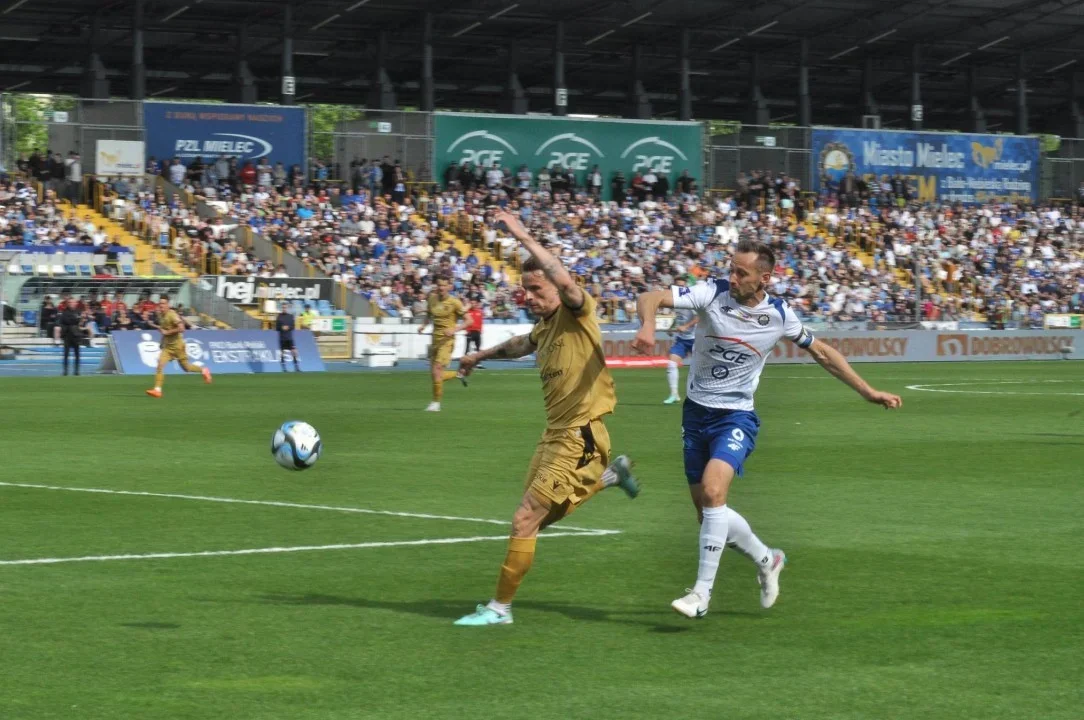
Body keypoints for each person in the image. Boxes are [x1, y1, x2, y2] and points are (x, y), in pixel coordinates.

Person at [632, 239, 902, 618]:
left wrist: (867, 391)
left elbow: (822, 352)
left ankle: (701, 594)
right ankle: (767, 559)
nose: (732, 276)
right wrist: (647, 325)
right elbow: (651, 295)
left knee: (713, 491)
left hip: (736, 417)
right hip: (695, 415)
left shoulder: (779, 314)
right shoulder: (712, 292)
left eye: (741, 272)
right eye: (732, 268)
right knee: (708, 512)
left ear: (764, 278)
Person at [452, 210, 641, 627]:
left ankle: (500, 609)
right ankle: (611, 477)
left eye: (536, 290)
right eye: (525, 292)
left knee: (524, 518)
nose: (529, 298)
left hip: (581, 434)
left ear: (557, 287)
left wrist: (520, 234)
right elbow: (521, 344)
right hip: (555, 433)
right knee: (541, 518)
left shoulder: (577, 310)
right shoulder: (545, 327)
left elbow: (565, 279)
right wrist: (479, 356)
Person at [416, 277, 471, 412]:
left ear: (449, 287)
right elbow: (429, 315)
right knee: (436, 375)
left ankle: (436, 404)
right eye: (439, 285)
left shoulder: (455, 303)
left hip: (447, 341)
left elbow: (469, 321)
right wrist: (423, 325)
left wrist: (454, 329)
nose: (441, 288)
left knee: (438, 369)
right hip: (435, 340)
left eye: (444, 285)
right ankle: (458, 374)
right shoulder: (432, 299)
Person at [145, 297, 212, 398]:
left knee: (187, 368)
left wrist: (167, 332)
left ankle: (204, 370)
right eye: (160, 304)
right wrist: (162, 342)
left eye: (163, 303)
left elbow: (182, 328)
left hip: (178, 347)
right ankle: (157, 390)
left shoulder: (172, 315)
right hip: (167, 348)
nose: (161, 305)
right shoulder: (161, 316)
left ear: (168, 305)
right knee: (159, 365)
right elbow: (164, 330)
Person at [664, 277, 698, 404]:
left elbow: (698, 317)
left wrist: (686, 326)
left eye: (682, 286)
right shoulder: (676, 301)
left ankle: (700, 396)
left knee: (700, 368)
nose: (680, 288)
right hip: (682, 339)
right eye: (678, 286)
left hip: (696, 338)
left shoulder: (691, 300)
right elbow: (678, 317)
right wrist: (671, 327)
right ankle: (674, 394)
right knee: (671, 364)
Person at [58, 299, 84, 376]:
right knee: (66, 354)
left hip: (76, 335)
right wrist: (76, 319)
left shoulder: (78, 311)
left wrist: (76, 319)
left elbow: (80, 321)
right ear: (68, 303)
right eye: (70, 302)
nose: (72, 304)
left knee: (77, 354)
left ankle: (76, 371)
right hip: (67, 335)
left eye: (73, 302)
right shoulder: (65, 312)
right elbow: (66, 321)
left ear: (76, 303)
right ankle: (65, 371)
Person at [276, 306, 301, 372]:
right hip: (282, 338)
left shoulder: (290, 316)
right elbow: (276, 327)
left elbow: (293, 326)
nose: (284, 309)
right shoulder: (279, 317)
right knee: (282, 352)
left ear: (287, 308)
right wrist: (282, 328)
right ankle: (284, 368)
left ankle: (297, 367)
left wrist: (288, 327)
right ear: (282, 309)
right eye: (283, 308)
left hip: (289, 338)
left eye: (285, 308)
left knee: (294, 351)